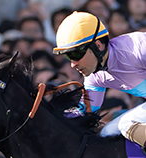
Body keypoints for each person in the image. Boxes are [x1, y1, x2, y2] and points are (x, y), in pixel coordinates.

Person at [52, 11, 146, 149]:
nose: (73, 64)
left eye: (76, 53)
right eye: (68, 56)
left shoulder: (138, 48)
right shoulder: (94, 78)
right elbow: (84, 112)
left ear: (97, 45)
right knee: (108, 132)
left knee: (126, 123)